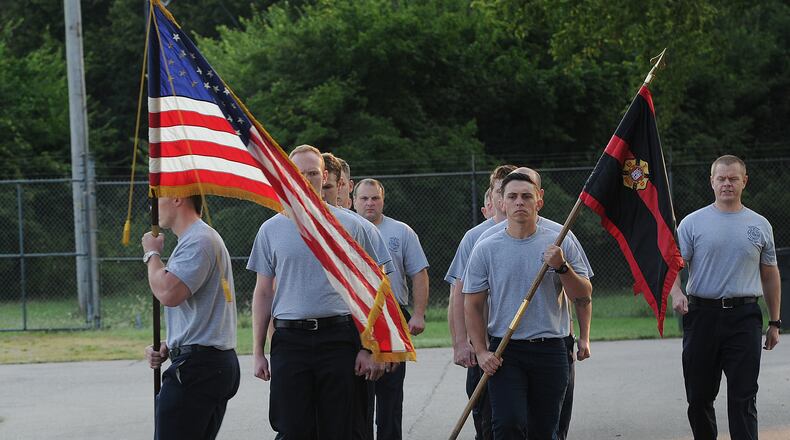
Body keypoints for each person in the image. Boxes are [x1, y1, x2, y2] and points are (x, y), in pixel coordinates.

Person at [248, 145, 385, 439]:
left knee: (340, 429)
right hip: (290, 341)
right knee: (293, 428)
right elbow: (263, 293)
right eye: (298, 173)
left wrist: (370, 347)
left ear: (324, 177)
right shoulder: (271, 229)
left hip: (339, 339)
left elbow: (376, 290)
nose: (306, 179)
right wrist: (258, 351)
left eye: (312, 173)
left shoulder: (352, 227)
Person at [464, 172, 592, 440]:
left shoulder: (560, 241)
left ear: (539, 200)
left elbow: (583, 295)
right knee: (507, 425)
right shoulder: (486, 247)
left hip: (551, 348)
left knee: (544, 430)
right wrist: (481, 351)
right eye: (512, 197)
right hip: (505, 350)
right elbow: (473, 304)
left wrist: (562, 267)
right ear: (501, 202)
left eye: (526, 196)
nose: (519, 202)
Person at [670, 155, 781, 440]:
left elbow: (769, 274)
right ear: (712, 182)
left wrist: (775, 322)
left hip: (744, 317)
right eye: (721, 178)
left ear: (744, 181)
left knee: (743, 396)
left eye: (733, 178)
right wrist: (676, 292)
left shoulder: (760, 225)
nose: (727, 184)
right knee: (699, 397)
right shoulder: (692, 223)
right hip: (702, 316)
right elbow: (673, 266)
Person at [142, 195, 240, 440]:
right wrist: (172, 343)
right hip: (203, 362)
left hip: (199, 368)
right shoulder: (195, 239)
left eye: (156, 198)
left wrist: (152, 254)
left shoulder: (199, 240)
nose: (151, 207)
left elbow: (168, 292)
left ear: (178, 198)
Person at [322, 152, 393, 440]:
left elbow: (379, 292)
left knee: (353, 424)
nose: (320, 192)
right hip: (307, 344)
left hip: (351, 337)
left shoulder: (359, 229)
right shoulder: (289, 226)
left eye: (328, 186)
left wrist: (375, 347)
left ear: (342, 186)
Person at [354, 178, 430, 440]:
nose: (370, 203)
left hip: (393, 315)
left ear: (383, 201)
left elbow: (419, 272)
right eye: (364, 198)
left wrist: (418, 314)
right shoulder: (346, 228)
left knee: (390, 393)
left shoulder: (401, 232)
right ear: (353, 201)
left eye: (375, 198)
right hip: (356, 318)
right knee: (358, 395)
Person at [446, 164, 515, 440]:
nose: (506, 198)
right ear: (494, 195)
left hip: (525, 341)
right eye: (501, 191)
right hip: (484, 343)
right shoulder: (475, 238)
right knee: (486, 419)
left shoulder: (542, 234)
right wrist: (461, 343)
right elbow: (458, 294)